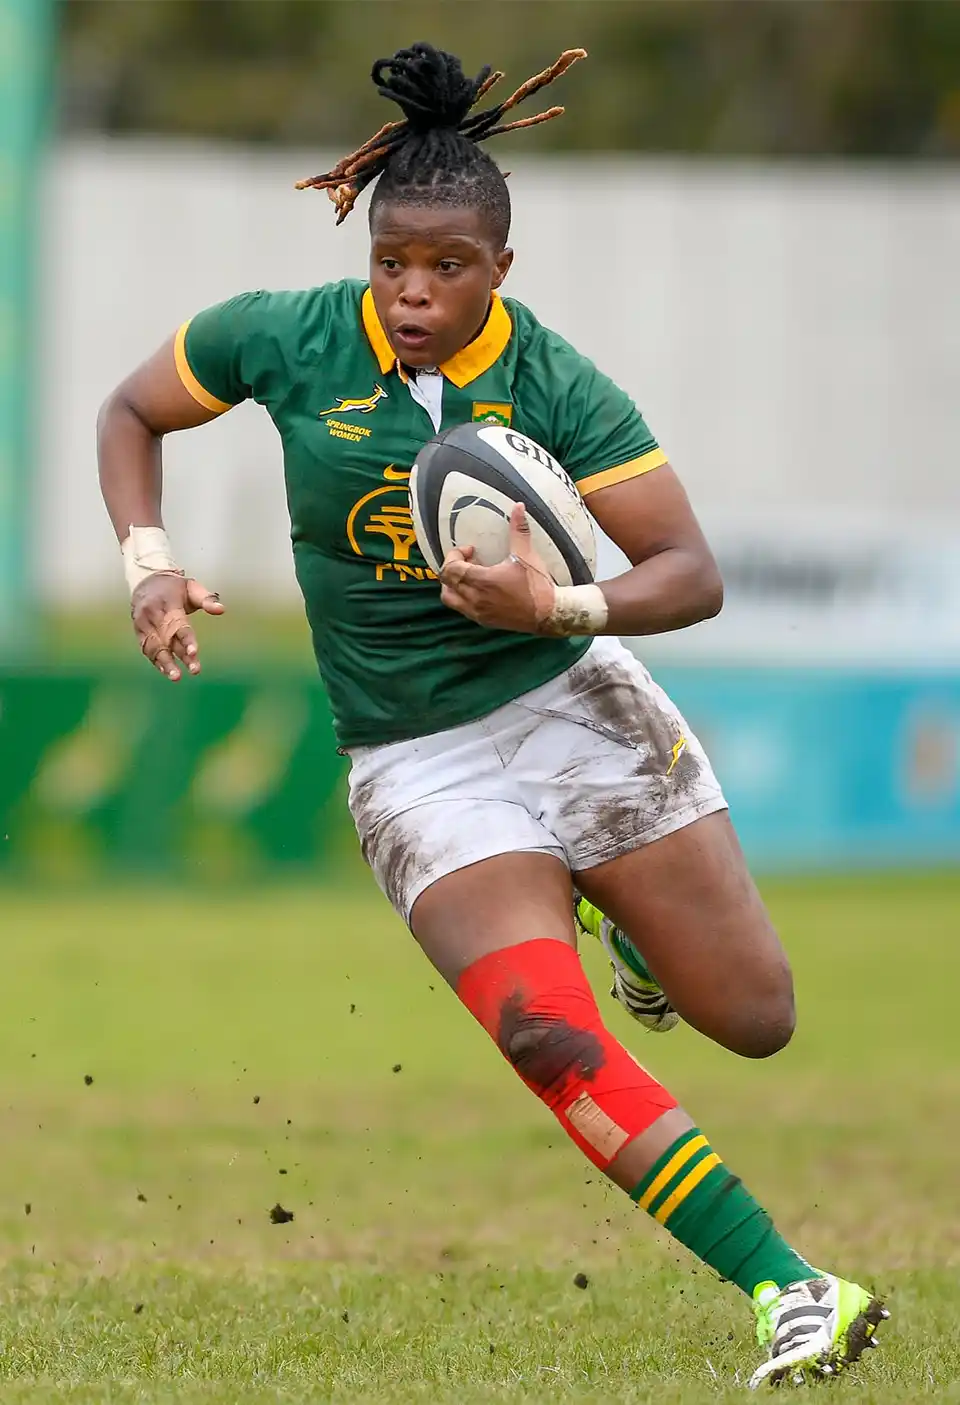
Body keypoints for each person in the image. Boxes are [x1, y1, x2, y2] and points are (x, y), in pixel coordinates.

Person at [96, 42, 887, 1388]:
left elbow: (688, 571)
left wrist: (560, 611)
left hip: (572, 699)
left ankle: (631, 924)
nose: (413, 294)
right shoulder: (284, 339)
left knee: (755, 1018)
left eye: (448, 267)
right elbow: (132, 408)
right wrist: (150, 563)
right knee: (543, 1034)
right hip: (416, 764)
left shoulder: (553, 382)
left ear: (499, 271)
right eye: (393, 263)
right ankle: (790, 1285)